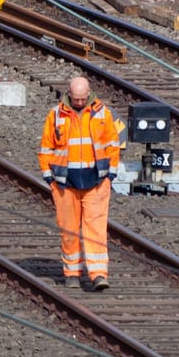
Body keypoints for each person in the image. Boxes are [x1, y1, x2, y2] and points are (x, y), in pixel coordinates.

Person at [38, 76, 123, 291]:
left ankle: (98, 275)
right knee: (69, 231)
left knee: (95, 229)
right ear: (69, 94)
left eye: (83, 98)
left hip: (96, 181)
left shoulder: (102, 113)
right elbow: (46, 148)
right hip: (65, 183)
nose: (79, 102)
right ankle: (72, 273)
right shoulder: (56, 115)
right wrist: (49, 178)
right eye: (76, 99)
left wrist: (110, 176)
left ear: (89, 94)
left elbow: (113, 145)